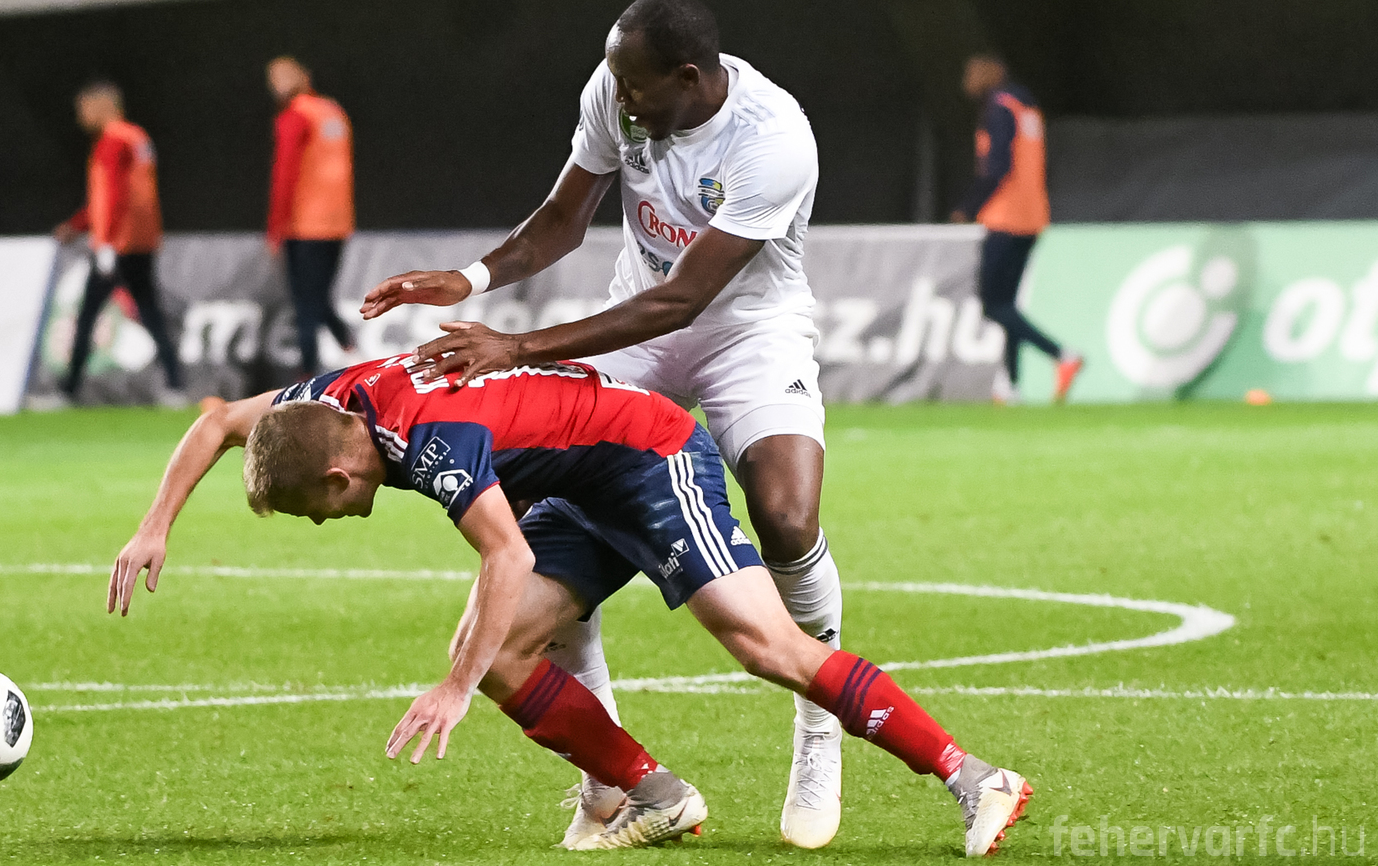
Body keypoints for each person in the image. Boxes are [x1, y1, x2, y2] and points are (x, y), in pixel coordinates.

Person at [107, 355, 1032, 855]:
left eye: (316, 509)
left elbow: (505, 552)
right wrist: (154, 526)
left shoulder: (430, 444)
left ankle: (974, 777)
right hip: (579, 482)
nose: (321, 523)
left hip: (648, 457)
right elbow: (219, 422)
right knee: (503, 650)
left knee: (764, 644)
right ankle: (653, 794)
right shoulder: (324, 403)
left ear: (343, 474)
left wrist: (452, 687)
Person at [359, 0, 847, 847]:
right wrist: (470, 280)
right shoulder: (618, 89)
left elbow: (685, 299)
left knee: (785, 515)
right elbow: (562, 220)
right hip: (640, 328)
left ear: (688, 77)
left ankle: (819, 724)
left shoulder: (774, 139)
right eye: (616, 82)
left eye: (636, 86)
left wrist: (519, 347)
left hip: (746, 331)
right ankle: (609, 776)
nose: (619, 99)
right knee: (550, 498)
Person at [950, 53, 1082, 405]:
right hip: (1033, 216)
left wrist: (967, 207)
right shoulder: (1027, 108)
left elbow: (997, 167)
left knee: (993, 305)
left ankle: (1062, 354)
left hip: (1005, 217)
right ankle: (1011, 386)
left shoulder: (998, 110)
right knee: (1008, 304)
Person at [52, 80, 186, 407]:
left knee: (88, 315)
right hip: (141, 241)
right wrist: (77, 225)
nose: (81, 116)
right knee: (150, 312)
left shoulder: (112, 141)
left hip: (118, 244)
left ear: (102, 106)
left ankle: (68, 390)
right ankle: (175, 384)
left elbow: (114, 196)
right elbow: (114, 197)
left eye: (85, 108)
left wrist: (108, 243)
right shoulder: (136, 137)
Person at [266, 56, 357, 378]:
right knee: (318, 296)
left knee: (305, 301)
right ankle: (350, 346)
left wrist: (275, 226)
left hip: (304, 223)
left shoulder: (295, 116)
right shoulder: (332, 111)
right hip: (337, 221)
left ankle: (308, 374)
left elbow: (285, 173)